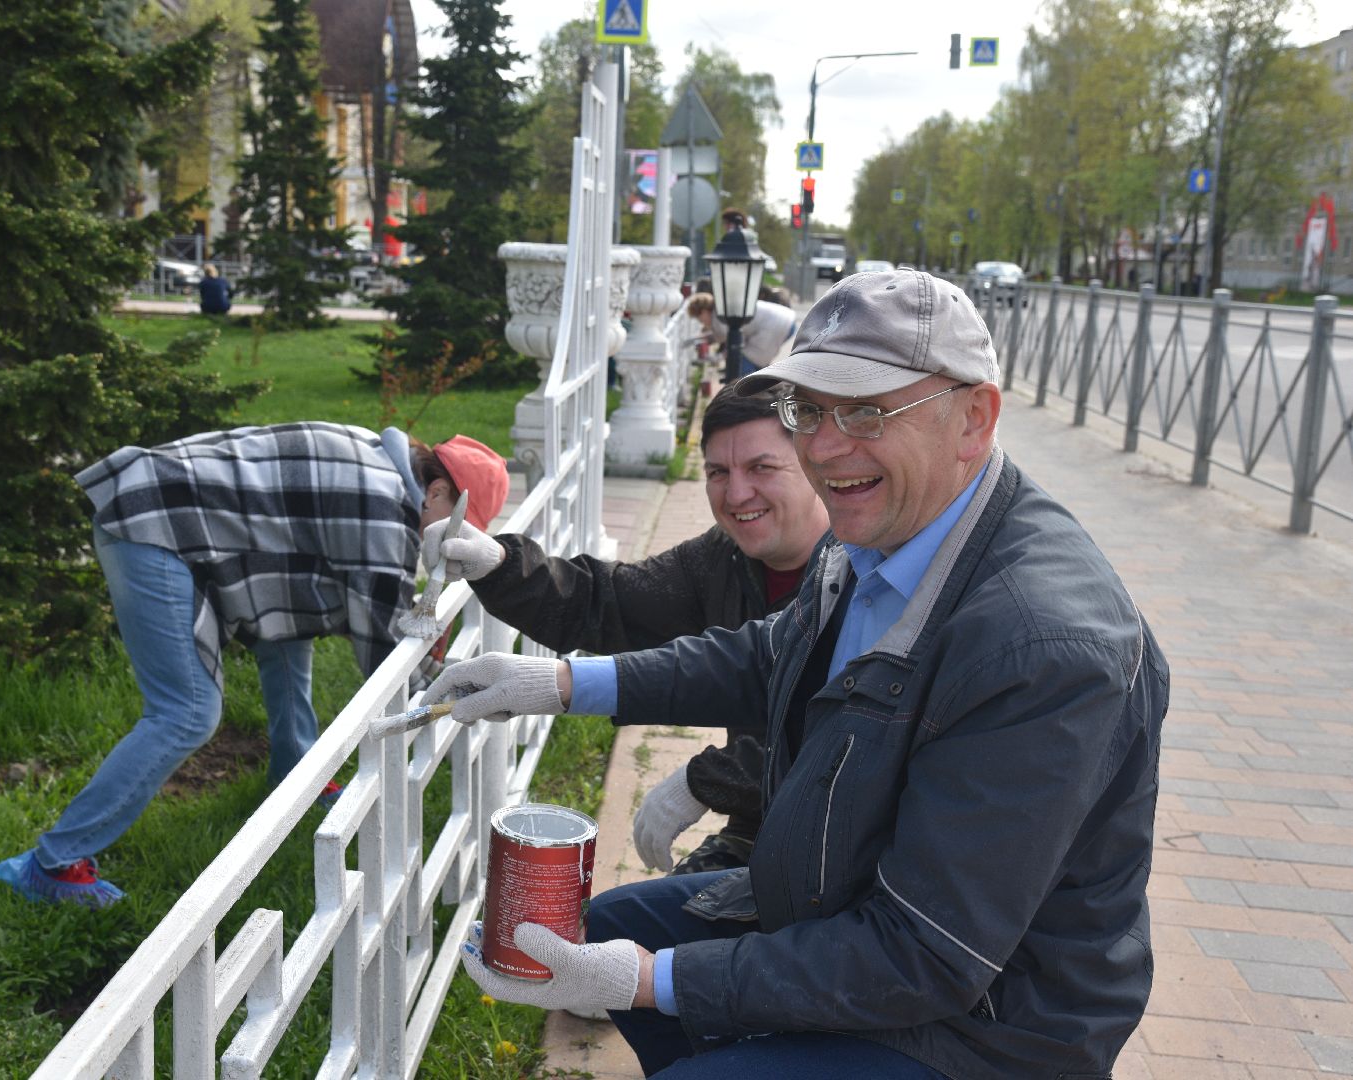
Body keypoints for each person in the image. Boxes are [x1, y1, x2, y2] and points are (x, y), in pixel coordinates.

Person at [417, 268, 1169, 1078]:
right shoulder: (883, 529)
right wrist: (563, 685)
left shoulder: (1041, 645)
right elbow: (775, 653)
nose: (826, 447)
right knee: (613, 926)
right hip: (841, 906)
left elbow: (926, 955)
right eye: (808, 410)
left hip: (985, 1023)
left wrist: (646, 981)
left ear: (974, 418)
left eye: (868, 412)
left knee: (661, 1001)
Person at [0, 423, 509, 908]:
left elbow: (310, 583)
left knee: (286, 632)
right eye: (454, 528)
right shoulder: (382, 508)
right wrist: (452, 691)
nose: (448, 545)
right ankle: (51, 864)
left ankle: (293, 774)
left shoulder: (374, 454)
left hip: (151, 502)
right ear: (437, 491)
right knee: (186, 712)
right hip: (150, 525)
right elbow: (383, 659)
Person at [421, 383, 830, 874]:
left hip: (851, 855)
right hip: (759, 830)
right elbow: (610, 602)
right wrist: (499, 563)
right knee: (593, 928)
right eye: (718, 472)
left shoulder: (860, 574)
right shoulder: (723, 559)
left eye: (762, 468)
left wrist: (710, 778)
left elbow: (844, 745)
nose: (737, 493)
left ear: (814, 463)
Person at [685, 291, 797, 381]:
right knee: (756, 365)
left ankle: (750, 397)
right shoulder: (722, 310)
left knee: (744, 364)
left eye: (699, 318)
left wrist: (716, 357)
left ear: (704, 312)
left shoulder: (718, 318)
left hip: (773, 325)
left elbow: (734, 343)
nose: (701, 322)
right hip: (785, 320)